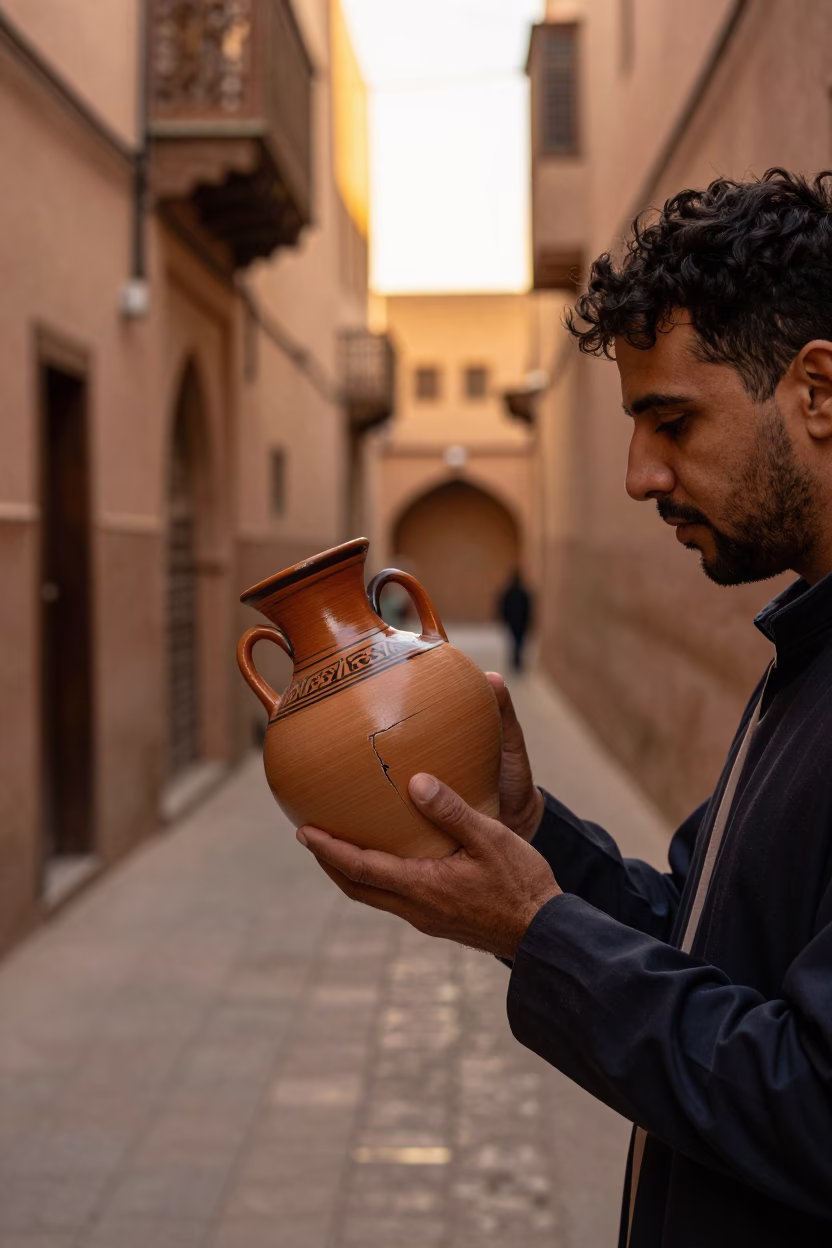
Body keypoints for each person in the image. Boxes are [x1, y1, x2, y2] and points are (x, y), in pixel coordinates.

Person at [295, 170, 832, 1247]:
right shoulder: (803, 651)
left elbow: (811, 1109)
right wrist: (531, 836)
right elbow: (703, 951)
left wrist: (536, 932)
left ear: (817, 391)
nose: (639, 476)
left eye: (670, 421)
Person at [497, 569, 533, 671]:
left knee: (515, 641)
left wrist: (504, 618)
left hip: (514, 622)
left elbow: (503, 606)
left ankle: (516, 660)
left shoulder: (509, 593)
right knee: (518, 642)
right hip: (520, 622)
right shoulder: (523, 593)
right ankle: (517, 660)